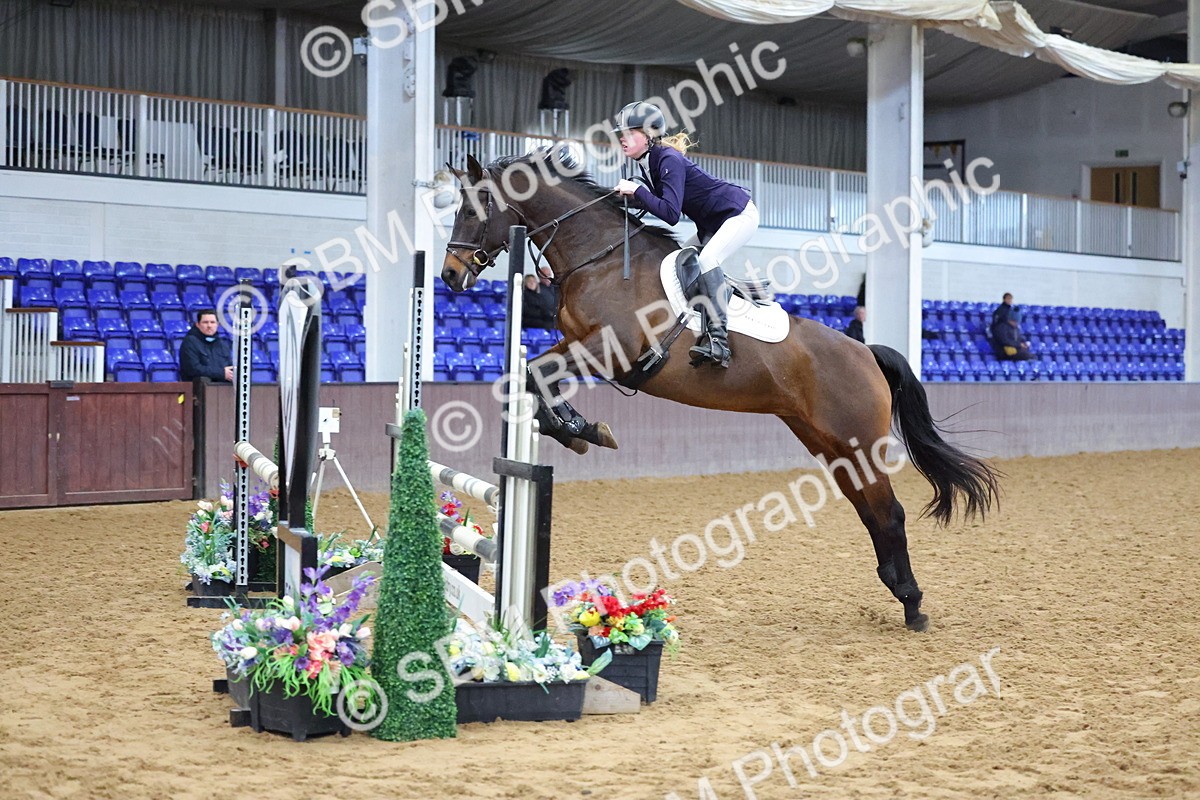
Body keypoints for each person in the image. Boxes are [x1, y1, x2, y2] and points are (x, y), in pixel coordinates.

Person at [612, 101, 759, 369]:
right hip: (711, 224)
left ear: (648, 135)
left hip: (737, 214)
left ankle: (719, 341)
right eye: (621, 133)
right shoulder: (649, 162)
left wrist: (637, 192)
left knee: (706, 261)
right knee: (675, 259)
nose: (622, 138)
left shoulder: (667, 158)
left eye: (629, 133)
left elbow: (670, 213)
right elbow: (658, 203)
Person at [179, 309, 234, 382]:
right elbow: (193, 369)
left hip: (221, 390)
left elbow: (229, 367)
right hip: (197, 390)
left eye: (212, 322)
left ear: (218, 324)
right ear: (197, 324)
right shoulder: (190, 342)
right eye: (205, 322)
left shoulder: (222, 345)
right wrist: (221, 373)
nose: (209, 326)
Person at [990, 293, 1032, 360]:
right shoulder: (1002, 326)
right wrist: (1019, 345)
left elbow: (1018, 338)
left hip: (1016, 349)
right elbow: (1004, 340)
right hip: (1005, 351)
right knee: (1028, 357)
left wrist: (1023, 343)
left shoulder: (1015, 328)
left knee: (1030, 356)